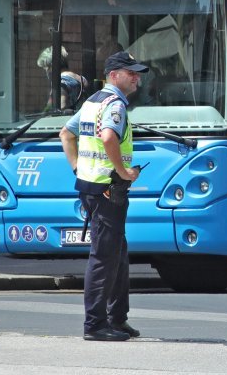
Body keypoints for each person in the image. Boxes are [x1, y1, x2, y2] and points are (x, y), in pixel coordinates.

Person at [59, 51, 149, 342]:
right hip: (108, 189)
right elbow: (109, 137)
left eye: (137, 73)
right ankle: (95, 325)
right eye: (130, 72)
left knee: (118, 254)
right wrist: (123, 172)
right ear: (113, 76)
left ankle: (117, 319)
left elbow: (65, 134)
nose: (136, 77)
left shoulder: (92, 101)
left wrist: (77, 167)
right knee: (104, 258)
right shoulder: (114, 105)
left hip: (91, 185)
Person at [37, 45, 88, 110]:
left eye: (45, 67)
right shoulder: (82, 78)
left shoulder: (61, 83)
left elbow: (61, 107)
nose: (46, 71)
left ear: (52, 66)